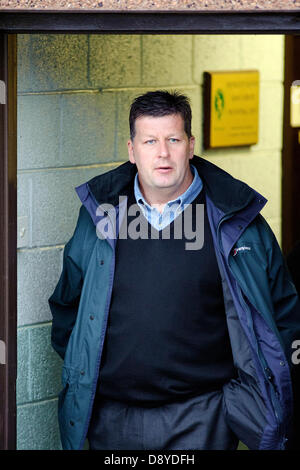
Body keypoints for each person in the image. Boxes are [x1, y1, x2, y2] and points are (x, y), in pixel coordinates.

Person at [49, 90, 300, 451]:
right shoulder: (98, 217)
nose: (162, 153)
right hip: (113, 415)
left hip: (204, 414)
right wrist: (86, 368)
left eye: (173, 139)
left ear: (191, 145)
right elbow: (67, 306)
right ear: (132, 150)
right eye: (150, 140)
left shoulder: (237, 221)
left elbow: (283, 313)